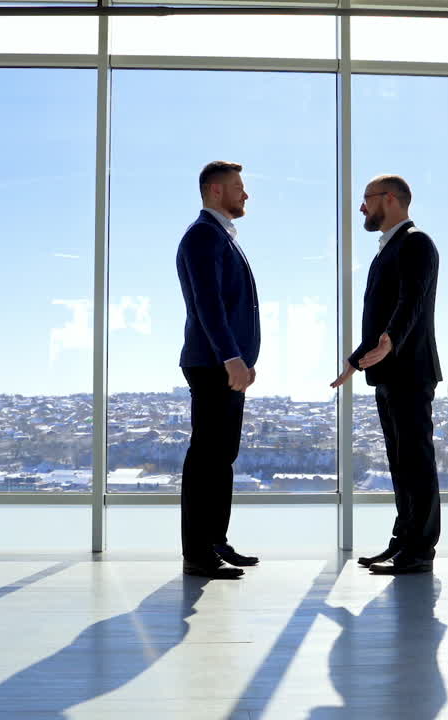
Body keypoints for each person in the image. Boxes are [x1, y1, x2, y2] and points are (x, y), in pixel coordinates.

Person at [331, 175, 442, 575]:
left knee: (416, 460)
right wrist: (357, 359)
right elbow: (379, 317)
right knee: (400, 460)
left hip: (411, 370)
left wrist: (389, 342)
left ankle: (420, 550)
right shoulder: (386, 251)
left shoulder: (417, 243)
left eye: (367, 199)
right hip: (389, 371)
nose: (362, 207)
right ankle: (404, 541)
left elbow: (410, 304)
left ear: (390, 199)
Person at [175, 160, 262, 579]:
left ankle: (215, 541)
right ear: (214, 191)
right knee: (207, 459)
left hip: (225, 364)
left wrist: (242, 360)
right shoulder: (202, 237)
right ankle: (198, 554)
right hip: (213, 364)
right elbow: (208, 305)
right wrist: (231, 358)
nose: (245, 194)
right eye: (238, 187)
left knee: (221, 458)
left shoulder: (221, 236)